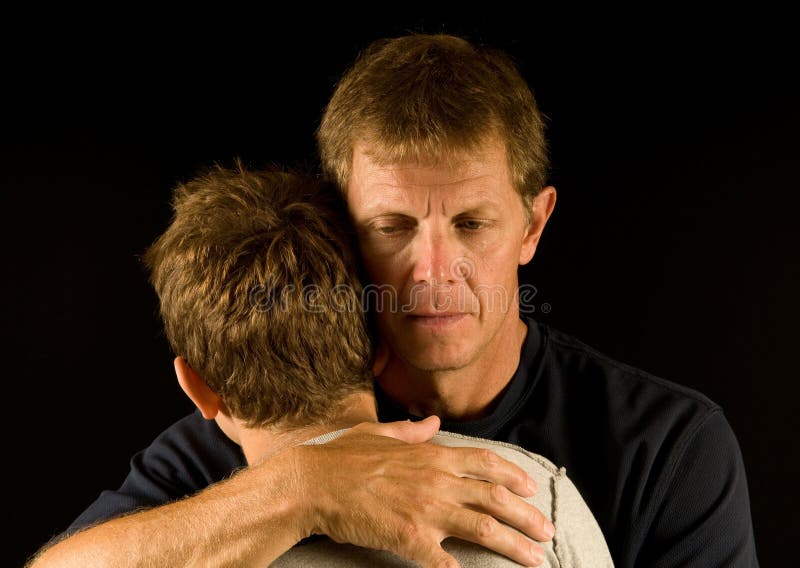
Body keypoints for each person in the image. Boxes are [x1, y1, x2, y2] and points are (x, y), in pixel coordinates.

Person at [31, 32, 758, 567]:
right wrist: (302, 485)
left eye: (472, 224)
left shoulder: (668, 448)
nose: (432, 272)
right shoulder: (266, 414)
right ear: (345, 227)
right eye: (393, 227)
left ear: (534, 225)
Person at [30, 163, 613, 567]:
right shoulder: (538, 500)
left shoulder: (188, 540)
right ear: (382, 344)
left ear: (197, 388)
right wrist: (302, 484)